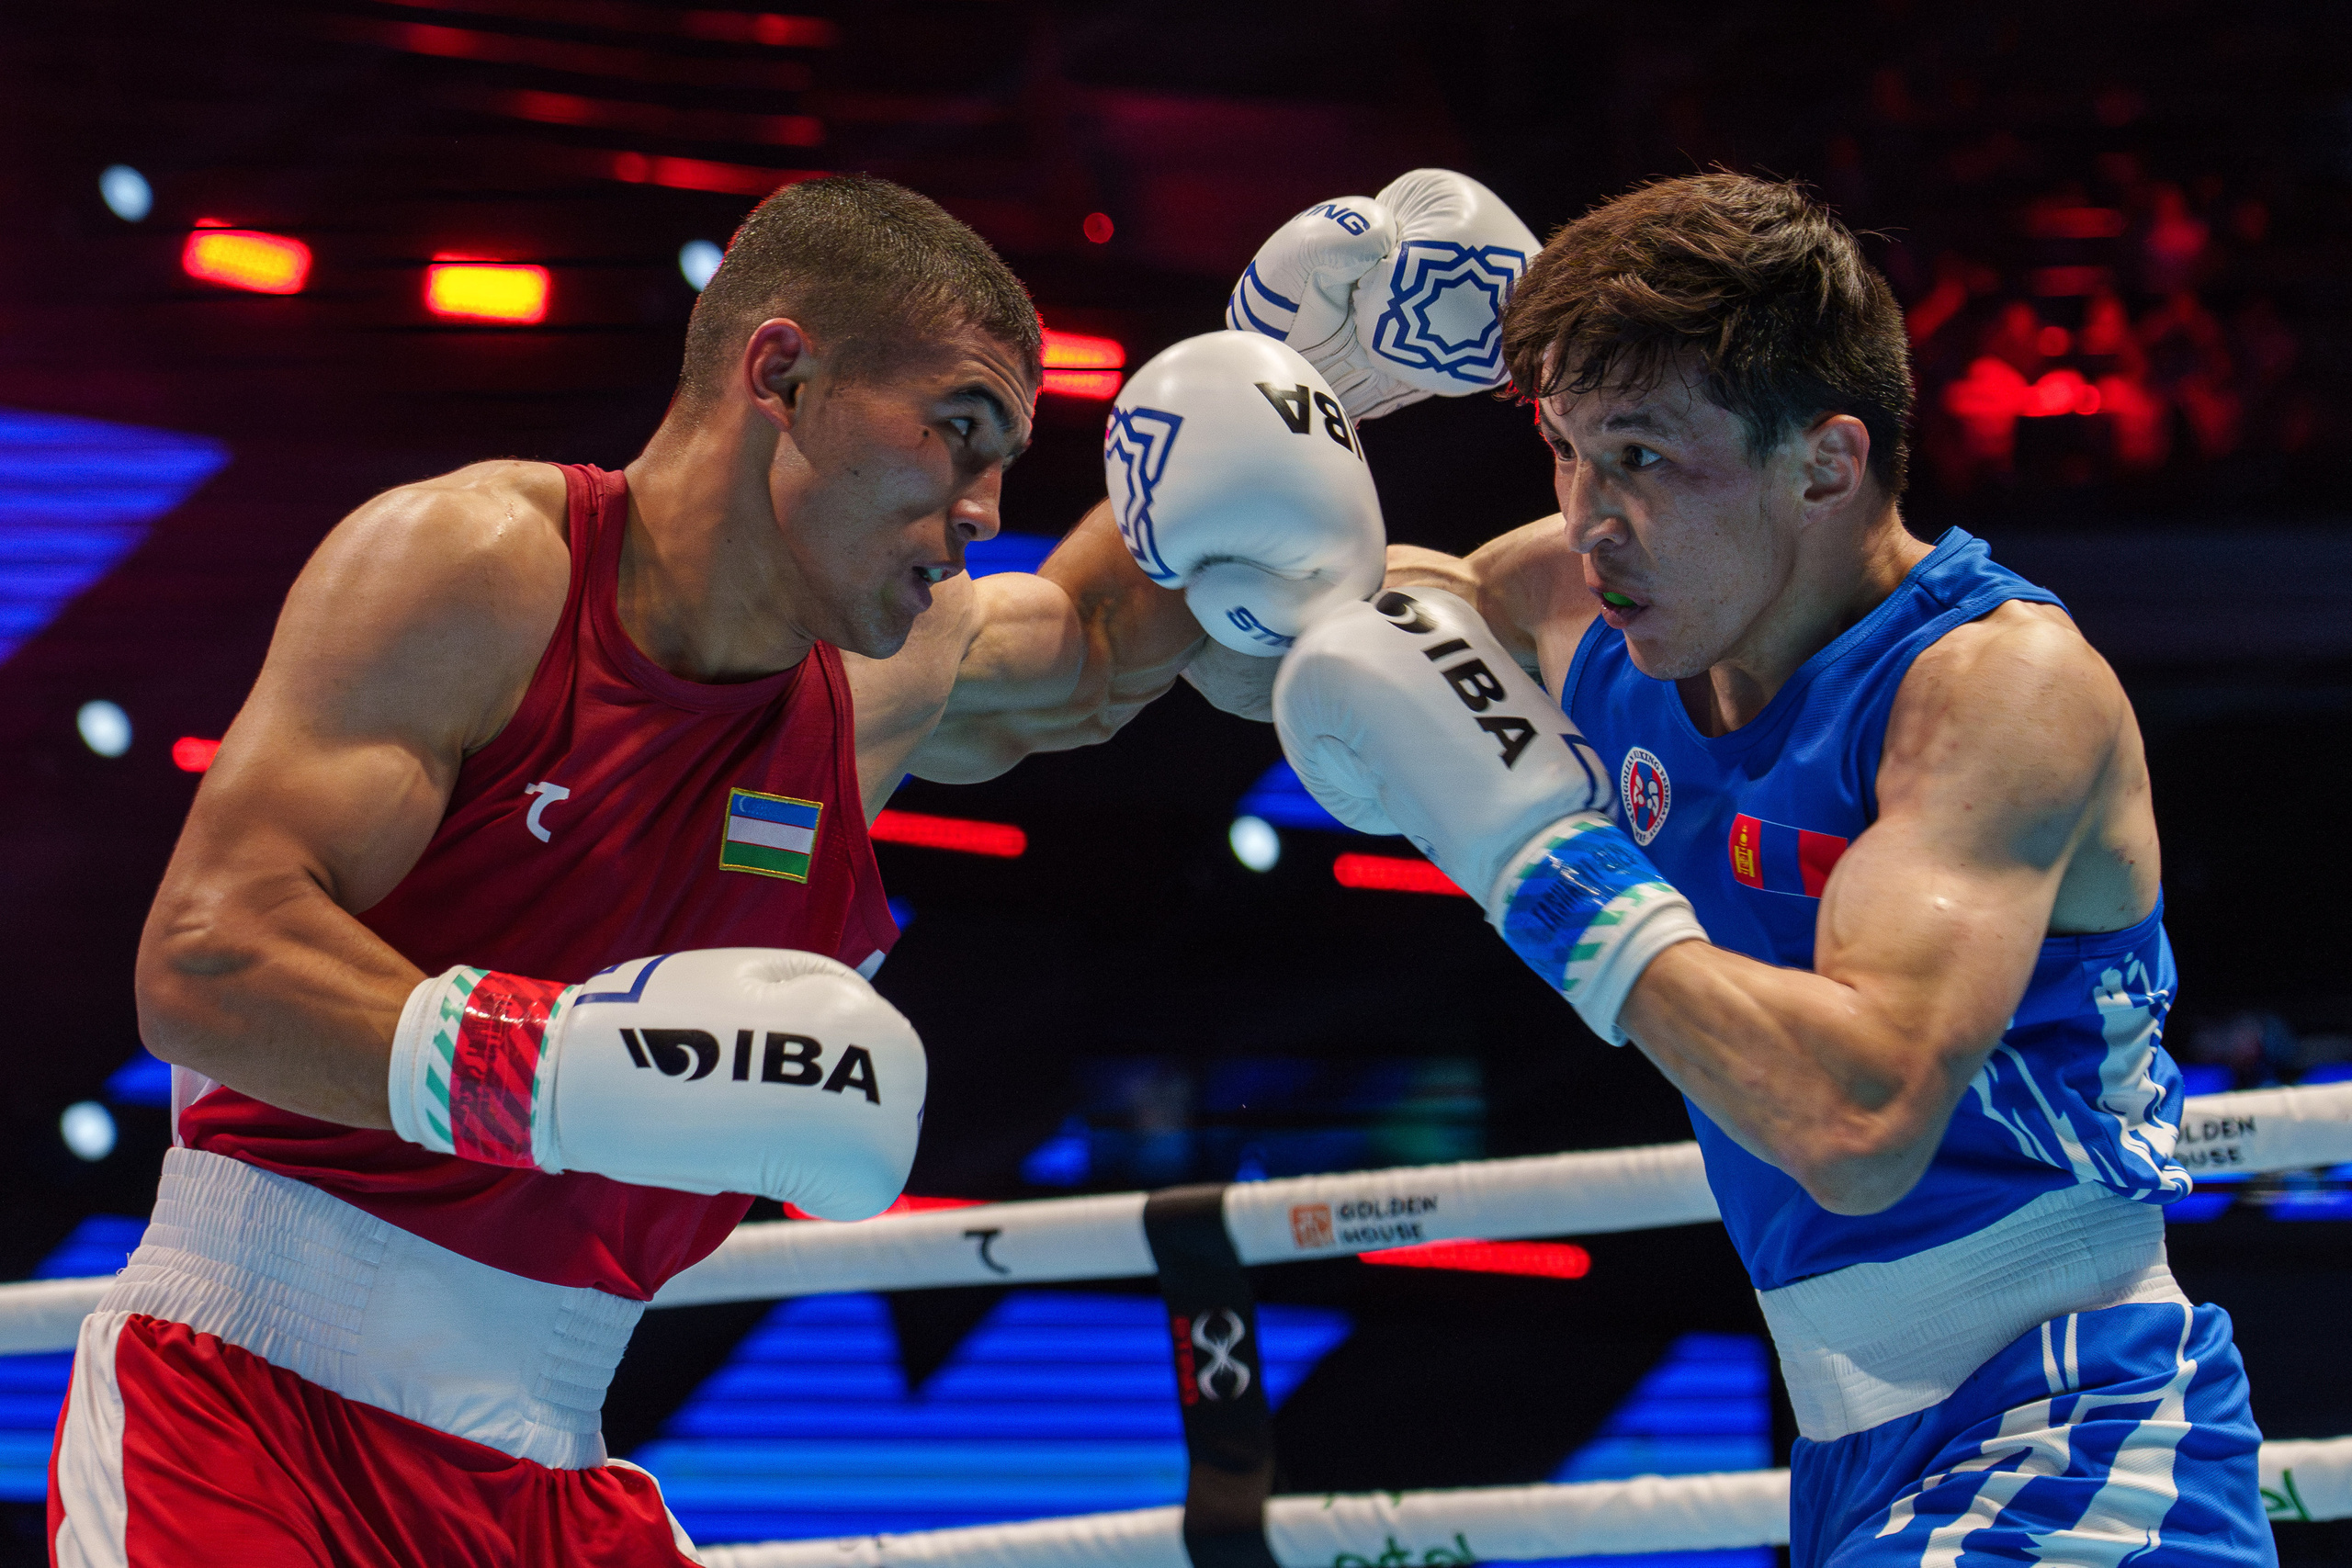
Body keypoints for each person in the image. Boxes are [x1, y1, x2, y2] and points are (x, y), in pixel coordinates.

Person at [51, 175, 1389, 1567]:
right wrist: (563, 1068)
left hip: (547, 1458)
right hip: (249, 1414)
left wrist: (1293, 374)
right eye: (958, 431)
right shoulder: (487, 566)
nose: (986, 509)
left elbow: (1099, 645)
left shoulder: (875, 679)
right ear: (784, 376)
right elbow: (207, 961)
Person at [1257, 173, 2272, 1564]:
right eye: (1564, 450)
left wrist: (1544, 866)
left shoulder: (1995, 687)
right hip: (1857, 1452)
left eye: (1643, 457)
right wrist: (1280, 402)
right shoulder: (1593, 609)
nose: (1589, 516)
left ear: (1826, 465)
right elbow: (1284, 642)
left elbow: (1862, 1122)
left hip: (2069, 1432)